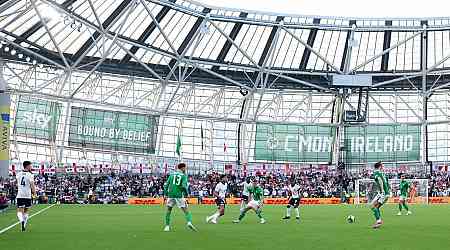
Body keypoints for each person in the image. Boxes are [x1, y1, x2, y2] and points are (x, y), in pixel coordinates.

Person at [163, 163, 196, 232]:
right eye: (185, 168)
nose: (185, 170)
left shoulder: (171, 175)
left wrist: (165, 194)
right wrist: (187, 194)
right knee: (186, 211)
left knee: (169, 210)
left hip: (171, 195)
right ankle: (189, 222)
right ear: (182, 168)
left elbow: (166, 185)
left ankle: (167, 226)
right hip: (179, 195)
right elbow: (184, 186)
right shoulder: (183, 176)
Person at [16, 161, 36, 232]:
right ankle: (23, 224)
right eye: (30, 166)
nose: (31, 167)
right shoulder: (30, 175)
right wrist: (34, 193)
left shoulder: (18, 174)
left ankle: (21, 220)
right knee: (26, 210)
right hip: (27, 195)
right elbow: (32, 185)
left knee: (19, 210)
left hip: (20, 194)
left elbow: (17, 184)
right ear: (27, 166)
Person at [370, 161, 390, 229]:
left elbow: (379, 180)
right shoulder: (383, 174)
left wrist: (382, 190)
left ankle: (378, 222)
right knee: (373, 206)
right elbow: (387, 182)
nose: (383, 166)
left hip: (382, 193)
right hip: (384, 193)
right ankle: (378, 220)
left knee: (374, 206)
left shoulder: (376, 173)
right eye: (382, 165)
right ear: (380, 166)